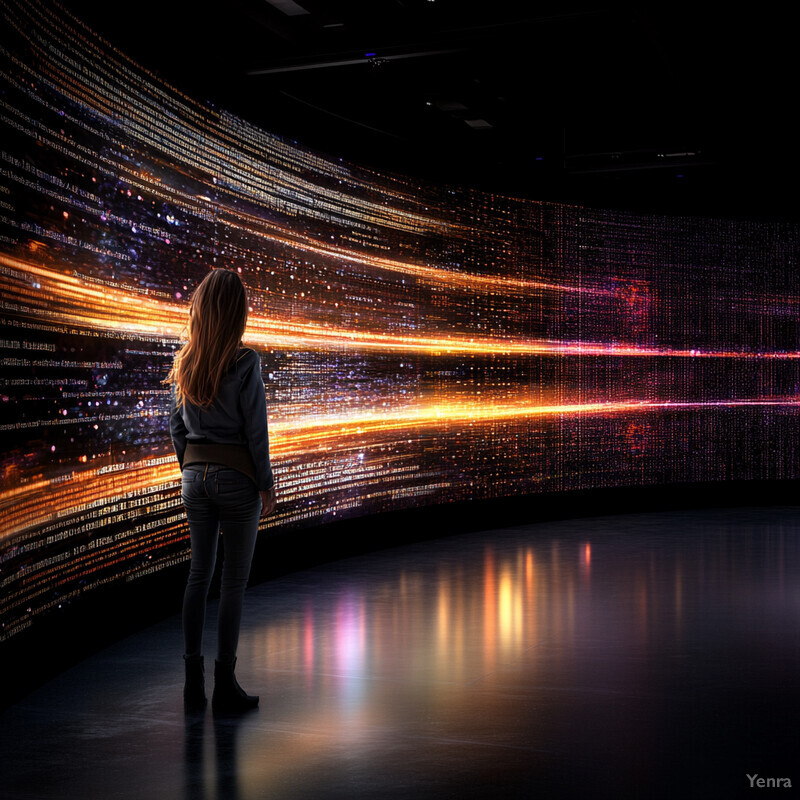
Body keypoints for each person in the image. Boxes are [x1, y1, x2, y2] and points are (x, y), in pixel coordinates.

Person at [166, 268, 277, 713]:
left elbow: (176, 426)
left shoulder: (186, 361)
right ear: (237, 312)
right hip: (236, 480)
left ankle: (193, 684)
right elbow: (256, 430)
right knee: (233, 582)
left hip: (194, 478)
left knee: (198, 575)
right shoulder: (245, 361)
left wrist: (192, 467)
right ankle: (224, 685)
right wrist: (265, 483)